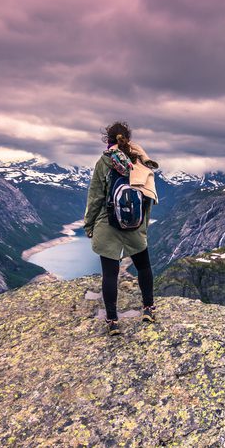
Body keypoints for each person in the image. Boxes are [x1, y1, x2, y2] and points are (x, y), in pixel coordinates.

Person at [84, 121, 159, 336]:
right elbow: (147, 198)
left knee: (110, 275)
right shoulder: (140, 162)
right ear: (128, 138)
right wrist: (141, 227)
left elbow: (95, 198)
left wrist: (89, 226)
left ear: (108, 140)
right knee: (143, 267)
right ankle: (148, 309)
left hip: (108, 224)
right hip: (134, 226)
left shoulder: (104, 162)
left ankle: (113, 321)